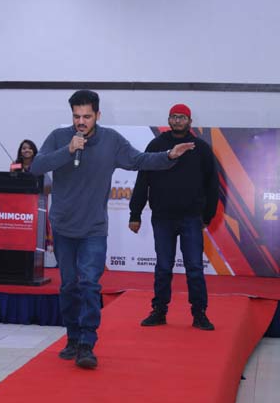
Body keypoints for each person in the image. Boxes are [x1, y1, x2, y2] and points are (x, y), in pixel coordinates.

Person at [31, 90, 194, 369]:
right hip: (63, 227)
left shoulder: (111, 141)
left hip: (94, 228)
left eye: (87, 116)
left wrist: (169, 155)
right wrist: (68, 150)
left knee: (89, 284)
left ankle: (87, 343)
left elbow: (138, 160)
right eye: (76, 116)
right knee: (69, 285)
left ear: (98, 115)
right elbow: (36, 166)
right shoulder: (60, 137)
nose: (81, 122)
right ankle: (72, 337)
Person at [128, 104, 219, 331]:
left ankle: (199, 314)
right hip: (162, 218)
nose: (177, 120)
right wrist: (135, 213)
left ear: (190, 121)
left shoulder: (201, 148)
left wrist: (207, 216)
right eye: (174, 117)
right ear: (169, 120)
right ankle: (159, 311)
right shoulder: (156, 145)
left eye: (182, 117)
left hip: (191, 218)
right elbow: (143, 179)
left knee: (195, 268)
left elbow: (212, 184)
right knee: (163, 267)